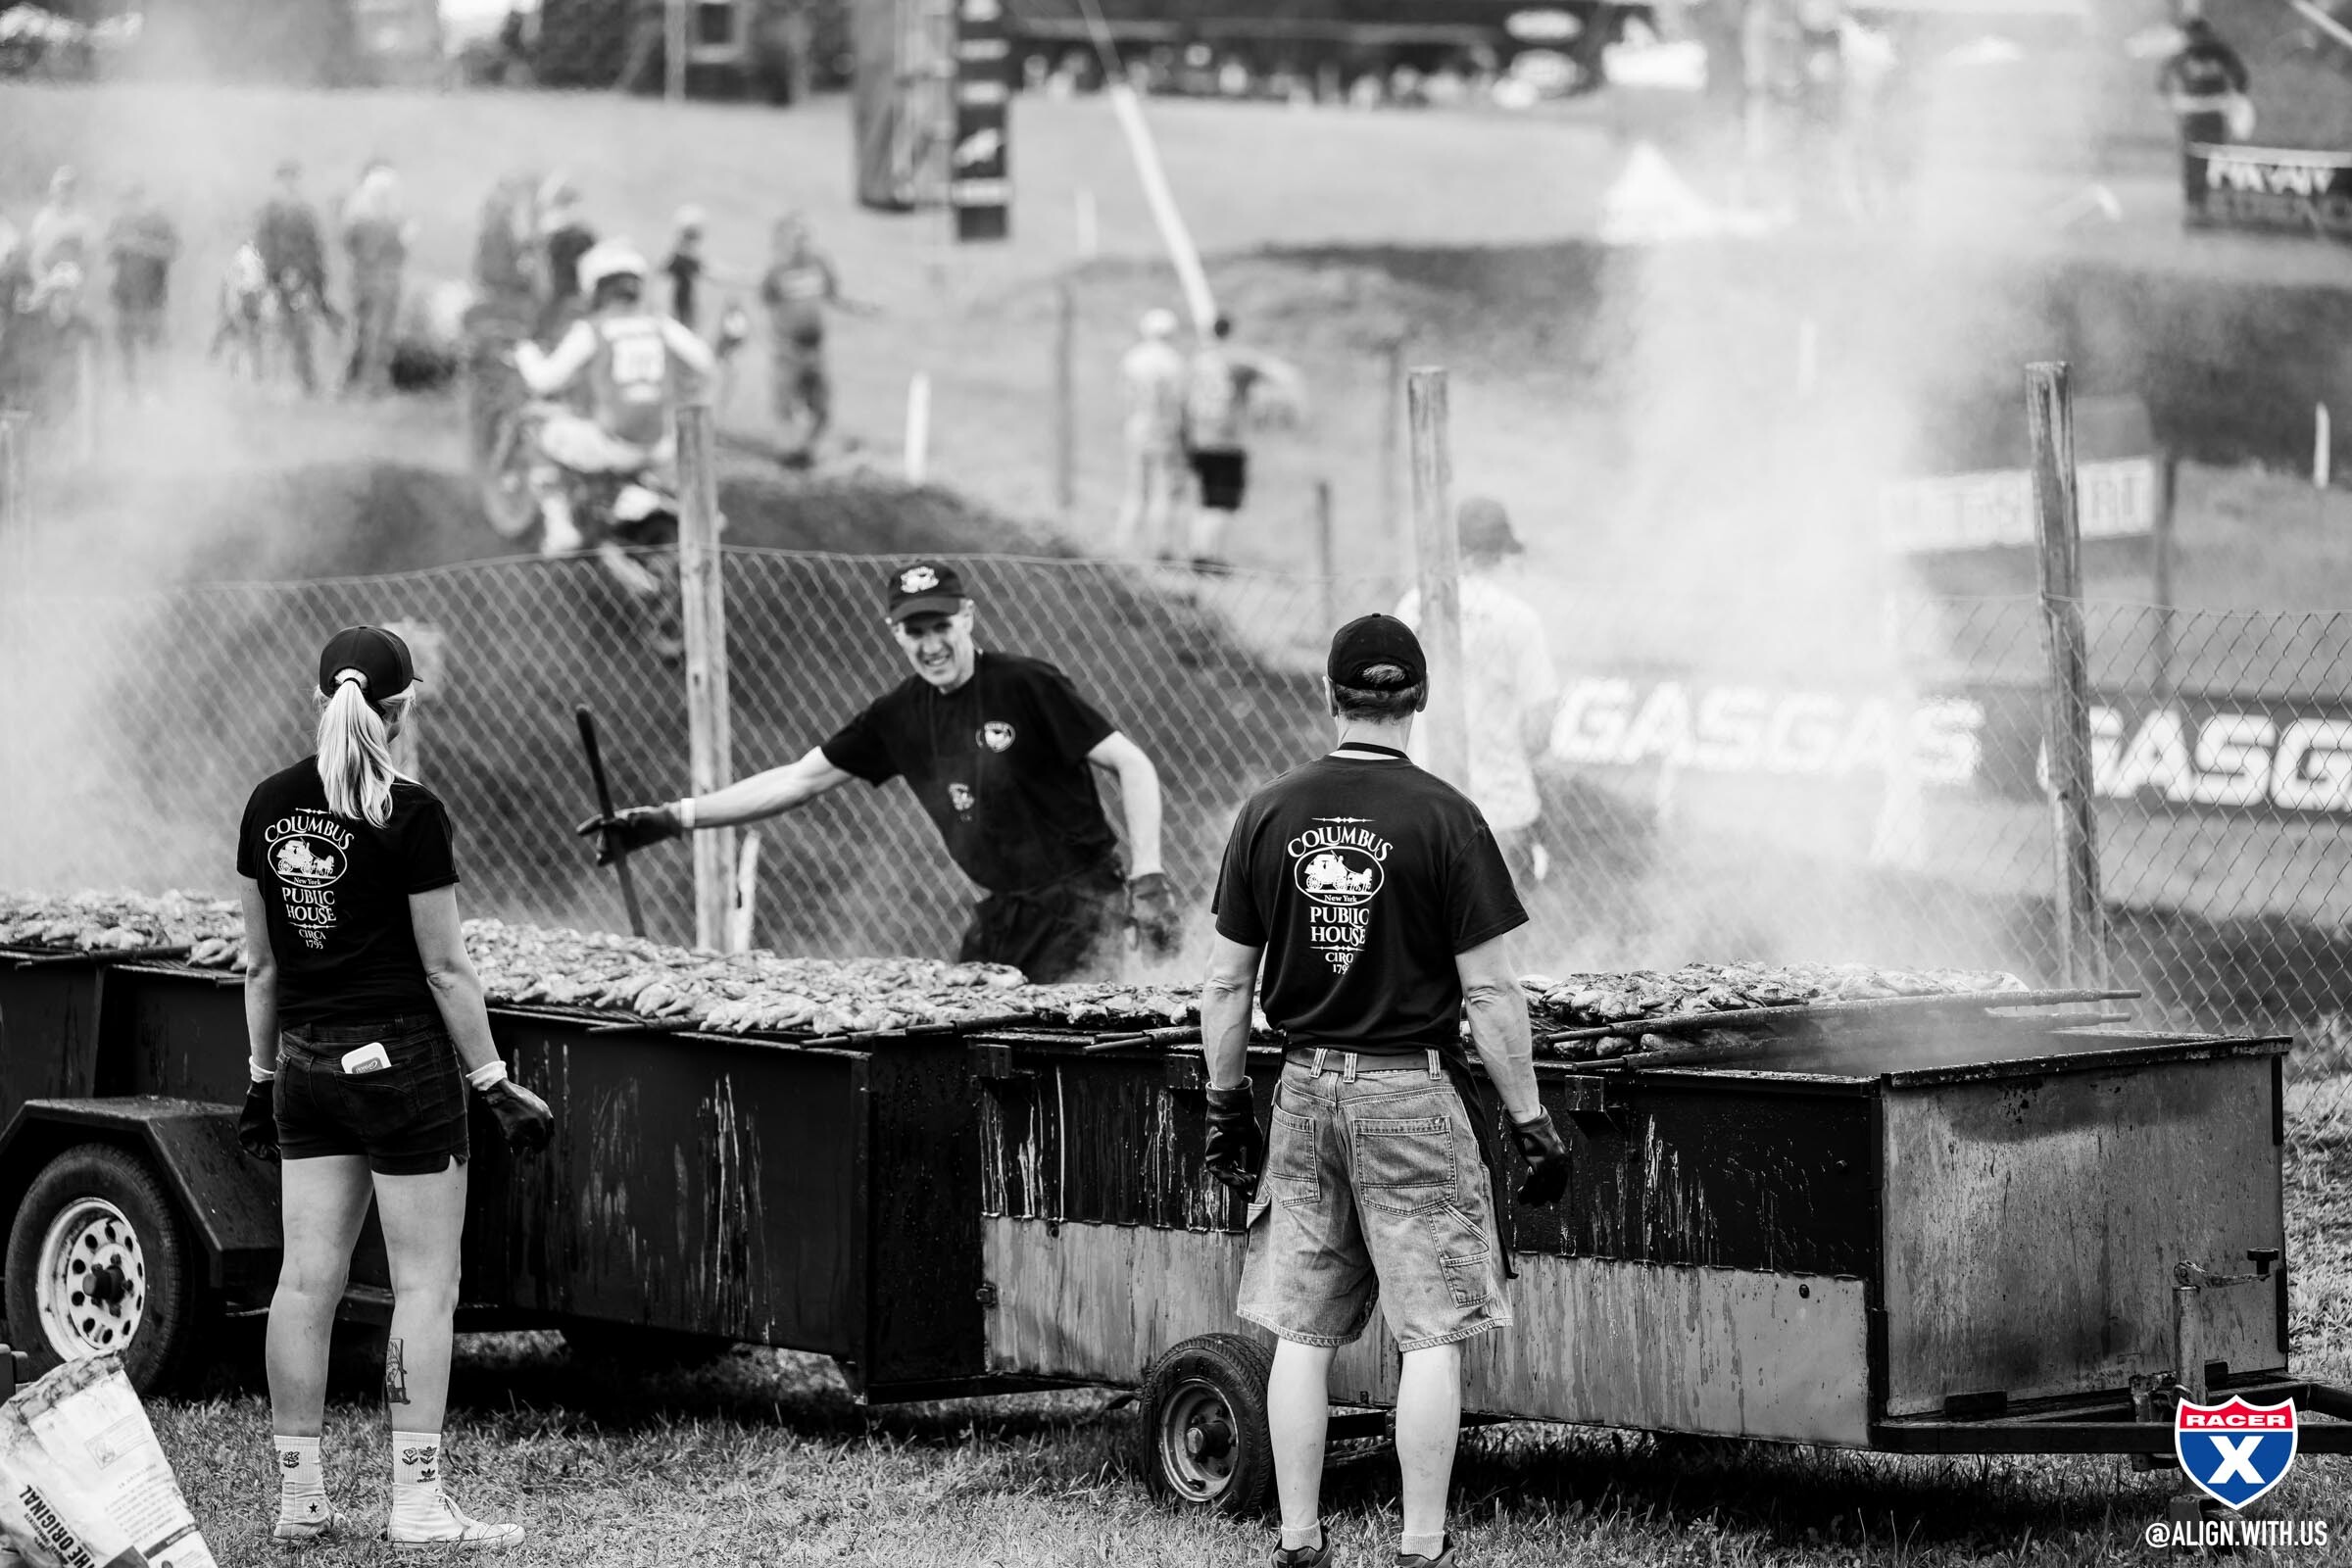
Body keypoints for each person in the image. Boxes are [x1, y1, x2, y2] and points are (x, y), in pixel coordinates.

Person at [1198, 612, 1570, 1568]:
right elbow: (1489, 990)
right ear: (1420, 699)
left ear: (1332, 696)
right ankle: (1419, 1546)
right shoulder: (1448, 816)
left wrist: (1226, 1104)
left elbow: (1226, 983)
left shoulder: (1268, 813)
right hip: (1408, 1093)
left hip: (1306, 1090)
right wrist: (1530, 1118)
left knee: (1300, 1329)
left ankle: (1298, 1538)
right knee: (1432, 1328)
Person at [235, 624, 553, 1548]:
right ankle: (416, 1505)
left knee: (307, 1282)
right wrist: (494, 1082)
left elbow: (260, 969)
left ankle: (301, 1502)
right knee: (423, 1285)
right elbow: (447, 970)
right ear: (403, 706)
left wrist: (262, 1080)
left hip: (304, 1062)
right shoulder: (409, 810)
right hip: (404, 1067)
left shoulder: (267, 802)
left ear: (319, 698)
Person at [578, 560, 1183, 982]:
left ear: (967, 618)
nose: (931, 645)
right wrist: (668, 818)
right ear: (896, 633)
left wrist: (1149, 880)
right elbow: (797, 781)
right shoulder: (897, 717)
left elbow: (1132, 764)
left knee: (1053, 1056)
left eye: (940, 626)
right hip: (1003, 914)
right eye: (914, 631)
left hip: (1083, 904)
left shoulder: (1026, 684)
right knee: (967, 1038)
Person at [512, 238, 717, 556]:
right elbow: (704, 361)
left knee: (533, 426)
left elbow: (544, 380)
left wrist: (524, 353)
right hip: (661, 443)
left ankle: (560, 527)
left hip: (614, 444)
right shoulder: (660, 324)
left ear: (596, 287)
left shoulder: (593, 330)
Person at [1393, 498, 1561, 884]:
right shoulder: (1518, 618)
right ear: (1502, 554)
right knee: (1501, 930)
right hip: (1500, 808)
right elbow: (1540, 728)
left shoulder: (1416, 604)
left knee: (1423, 929)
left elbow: (1392, 701)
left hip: (1421, 803)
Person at [1181, 314, 1299, 571]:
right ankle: (1207, 557)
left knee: (1205, 500)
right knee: (1223, 503)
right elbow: (1282, 374)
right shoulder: (1237, 361)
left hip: (1200, 439)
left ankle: (1198, 549)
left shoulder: (1198, 362)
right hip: (1227, 443)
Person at [758, 211, 844, 460]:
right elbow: (767, 302)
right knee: (785, 406)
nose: (800, 242)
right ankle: (788, 456)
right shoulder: (776, 269)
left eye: (804, 236)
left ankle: (807, 453)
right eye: (795, 236)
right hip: (788, 351)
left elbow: (833, 294)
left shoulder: (820, 263)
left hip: (815, 350)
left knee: (822, 407)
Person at [1114, 308, 1189, 560]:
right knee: (1164, 490)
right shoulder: (1173, 361)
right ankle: (1160, 547)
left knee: (1136, 490)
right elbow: (1179, 400)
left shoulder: (1133, 358)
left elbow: (1125, 397)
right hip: (1165, 428)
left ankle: (1123, 546)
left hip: (1137, 424)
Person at [2161, 16, 2252, 207]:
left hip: (2214, 114)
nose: (2196, 41)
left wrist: (2234, 103)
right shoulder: (2181, 56)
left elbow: (2241, 81)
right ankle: (2194, 200)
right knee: (2192, 157)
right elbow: (2163, 84)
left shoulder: (2220, 54)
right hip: (2192, 116)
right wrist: (2175, 102)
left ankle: (2216, 198)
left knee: (2215, 155)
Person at [256, 161, 330, 395]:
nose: (290, 184)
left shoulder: (305, 212)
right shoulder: (270, 212)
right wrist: (276, 275)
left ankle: (305, 383)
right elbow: (264, 248)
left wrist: (310, 279)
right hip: (277, 281)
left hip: (302, 282)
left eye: (293, 179)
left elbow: (315, 249)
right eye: (285, 179)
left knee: (302, 333)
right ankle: (274, 383)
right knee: (276, 332)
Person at [340, 160, 413, 398]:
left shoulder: (358, 216)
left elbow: (348, 243)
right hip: (385, 283)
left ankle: (351, 381)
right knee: (379, 335)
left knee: (360, 332)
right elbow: (399, 252)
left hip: (360, 279)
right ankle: (374, 385)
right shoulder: (390, 221)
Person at [103, 182, 179, 400]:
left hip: (153, 297)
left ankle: (156, 390)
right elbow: (107, 251)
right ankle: (129, 390)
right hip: (123, 296)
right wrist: (122, 244)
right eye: (128, 199)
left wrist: (144, 246)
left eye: (135, 198)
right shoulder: (119, 222)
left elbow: (173, 250)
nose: (132, 204)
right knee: (125, 345)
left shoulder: (160, 222)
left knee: (154, 344)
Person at [25, 166, 94, 279]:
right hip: (46, 283)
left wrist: (78, 279)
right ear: (53, 189)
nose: (65, 192)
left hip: (75, 285)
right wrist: (44, 281)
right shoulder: (43, 219)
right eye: (62, 186)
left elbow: (90, 255)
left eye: (70, 187)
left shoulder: (83, 221)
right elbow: (35, 257)